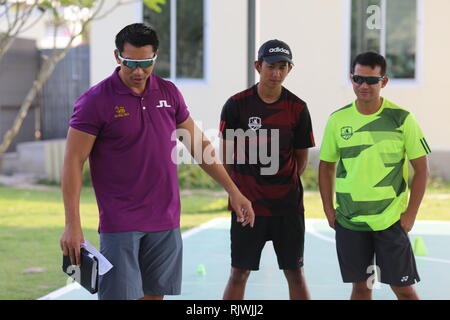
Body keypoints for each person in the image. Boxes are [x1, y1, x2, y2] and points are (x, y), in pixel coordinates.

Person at [59, 23, 254, 300]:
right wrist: (72, 224)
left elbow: (199, 145)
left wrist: (233, 191)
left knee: (155, 296)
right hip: (120, 221)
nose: (138, 71)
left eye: (145, 63)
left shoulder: (168, 92)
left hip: (165, 218)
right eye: (130, 63)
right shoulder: (95, 101)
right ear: (117, 57)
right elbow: (73, 161)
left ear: (155, 57)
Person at [319, 51, 431, 300]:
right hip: (349, 220)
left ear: (384, 82)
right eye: (358, 79)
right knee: (361, 288)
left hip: (390, 221)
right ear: (352, 78)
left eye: (371, 80)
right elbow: (326, 166)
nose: (364, 86)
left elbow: (422, 169)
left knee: (403, 289)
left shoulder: (402, 119)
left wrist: (410, 214)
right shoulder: (338, 120)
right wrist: (328, 209)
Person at [220, 39, 315, 300]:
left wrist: (282, 185)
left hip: (287, 207)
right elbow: (226, 158)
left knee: (295, 272)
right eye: (271, 66)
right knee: (239, 273)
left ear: (289, 70)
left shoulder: (298, 108)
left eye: (283, 67)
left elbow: (301, 159)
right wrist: (236, 193)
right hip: (247, 208)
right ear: (258, 66)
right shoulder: (236, 105)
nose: (276, 73)